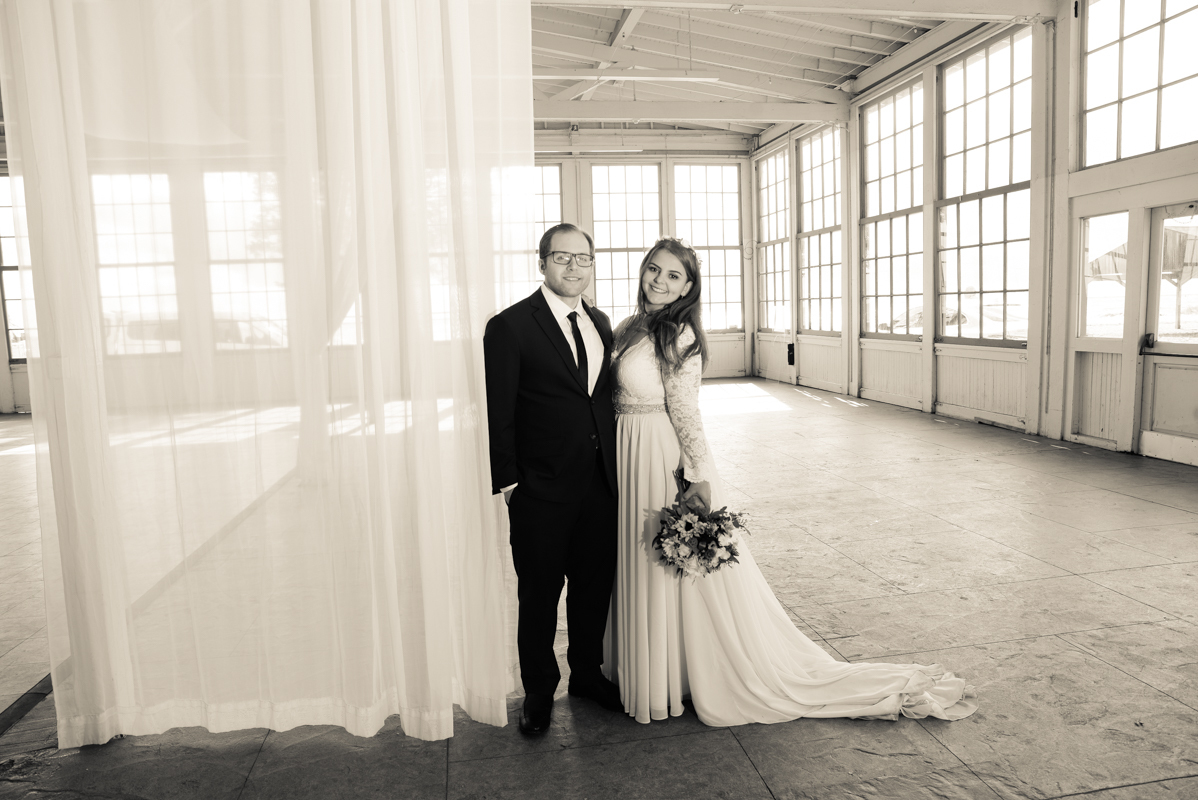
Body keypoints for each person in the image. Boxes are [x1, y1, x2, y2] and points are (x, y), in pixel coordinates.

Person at [607, 237, 978, 726]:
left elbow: (686, 410)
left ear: (689, 287)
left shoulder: (679, 336)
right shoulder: (630, 326)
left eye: (673, 275)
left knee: (665, 563)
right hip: (623, 449)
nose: (659, 280)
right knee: (637, 559)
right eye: (654, 269)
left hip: (655, 453)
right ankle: (653, 664)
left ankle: (676, 673)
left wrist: (696, 475)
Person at [484, 223, 623, 735]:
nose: (573, 267)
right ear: (541, 263)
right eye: (561, 258)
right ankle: (539, 690)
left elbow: (597, 402)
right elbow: (499, 412)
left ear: (592, 264)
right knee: (539, 595)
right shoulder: (510, 326)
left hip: (599, 486)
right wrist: (511, 484)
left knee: (593, 589)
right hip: (539, 490)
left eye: (582, 258)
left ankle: (587, 674)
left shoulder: (601, 322)